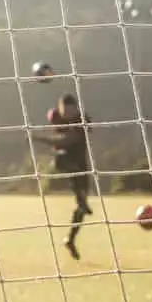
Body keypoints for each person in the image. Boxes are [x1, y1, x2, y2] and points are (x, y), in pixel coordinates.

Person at [36, 93, 93, 261]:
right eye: (64, 110)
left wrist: (39, 138)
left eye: (69, 110)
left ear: (75, 109)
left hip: (80, 164)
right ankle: (82, 200)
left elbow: (67, 140)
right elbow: (60, 144)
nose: (66, 114)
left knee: (81, 209)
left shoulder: (81, 120)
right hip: (65, 161)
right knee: (61, 158)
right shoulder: (57, 117)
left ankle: (70, 239)